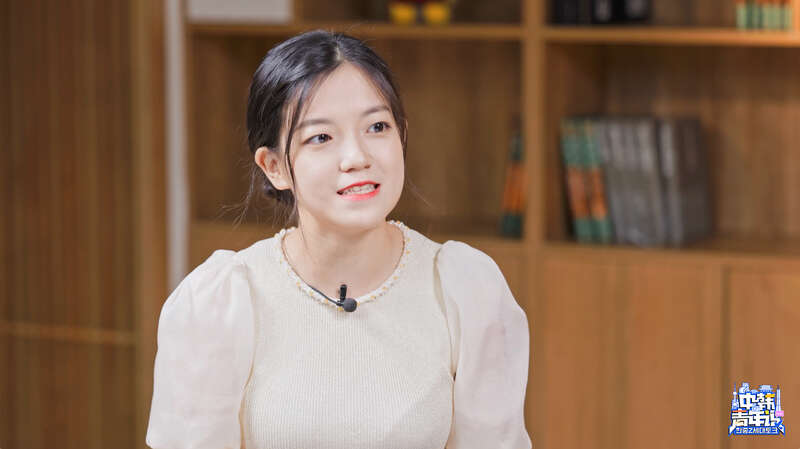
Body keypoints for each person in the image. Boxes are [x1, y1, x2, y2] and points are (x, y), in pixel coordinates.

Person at [145, 29, 532, 449]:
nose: (357, 158)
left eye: (377, 127)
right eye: (321, 137)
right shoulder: (222, 302)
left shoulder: (465, 290)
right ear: (274, 167)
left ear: (401, 135)